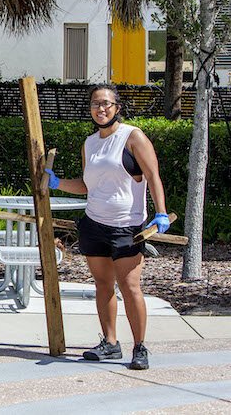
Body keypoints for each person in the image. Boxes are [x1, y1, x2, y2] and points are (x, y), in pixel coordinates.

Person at [46, 83, 171, 370]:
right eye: (95, 104)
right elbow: (88, 186)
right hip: (94, 224)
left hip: (127, 227)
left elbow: (153, 176)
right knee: (103, 285)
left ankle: (140, 347)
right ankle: (111, 343)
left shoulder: (132, 137)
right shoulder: (90, 144)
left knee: (130, 287)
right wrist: (57, 183)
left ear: (117, 107)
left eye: (106, 103)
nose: (100, 109)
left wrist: (160, 213)